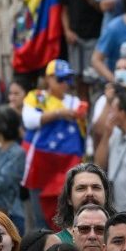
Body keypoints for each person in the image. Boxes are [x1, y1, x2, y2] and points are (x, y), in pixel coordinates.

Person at [22, 60, 86, 229]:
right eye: (60, 79)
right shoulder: (37, 97)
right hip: (41, 163)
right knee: (40, 216)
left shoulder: (75, 101)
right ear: (48, 79)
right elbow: (30, 121)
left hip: (68, 163)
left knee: (67, 213)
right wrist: (59, 113)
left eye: (68, 79)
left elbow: (84, 133)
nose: (65, 84)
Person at [51, 163, 116, 246]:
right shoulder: (55, 244)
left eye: (96, 187)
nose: (90, 193)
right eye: (81, 188)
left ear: (106, 196)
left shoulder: (122, 242)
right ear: (69, 198)